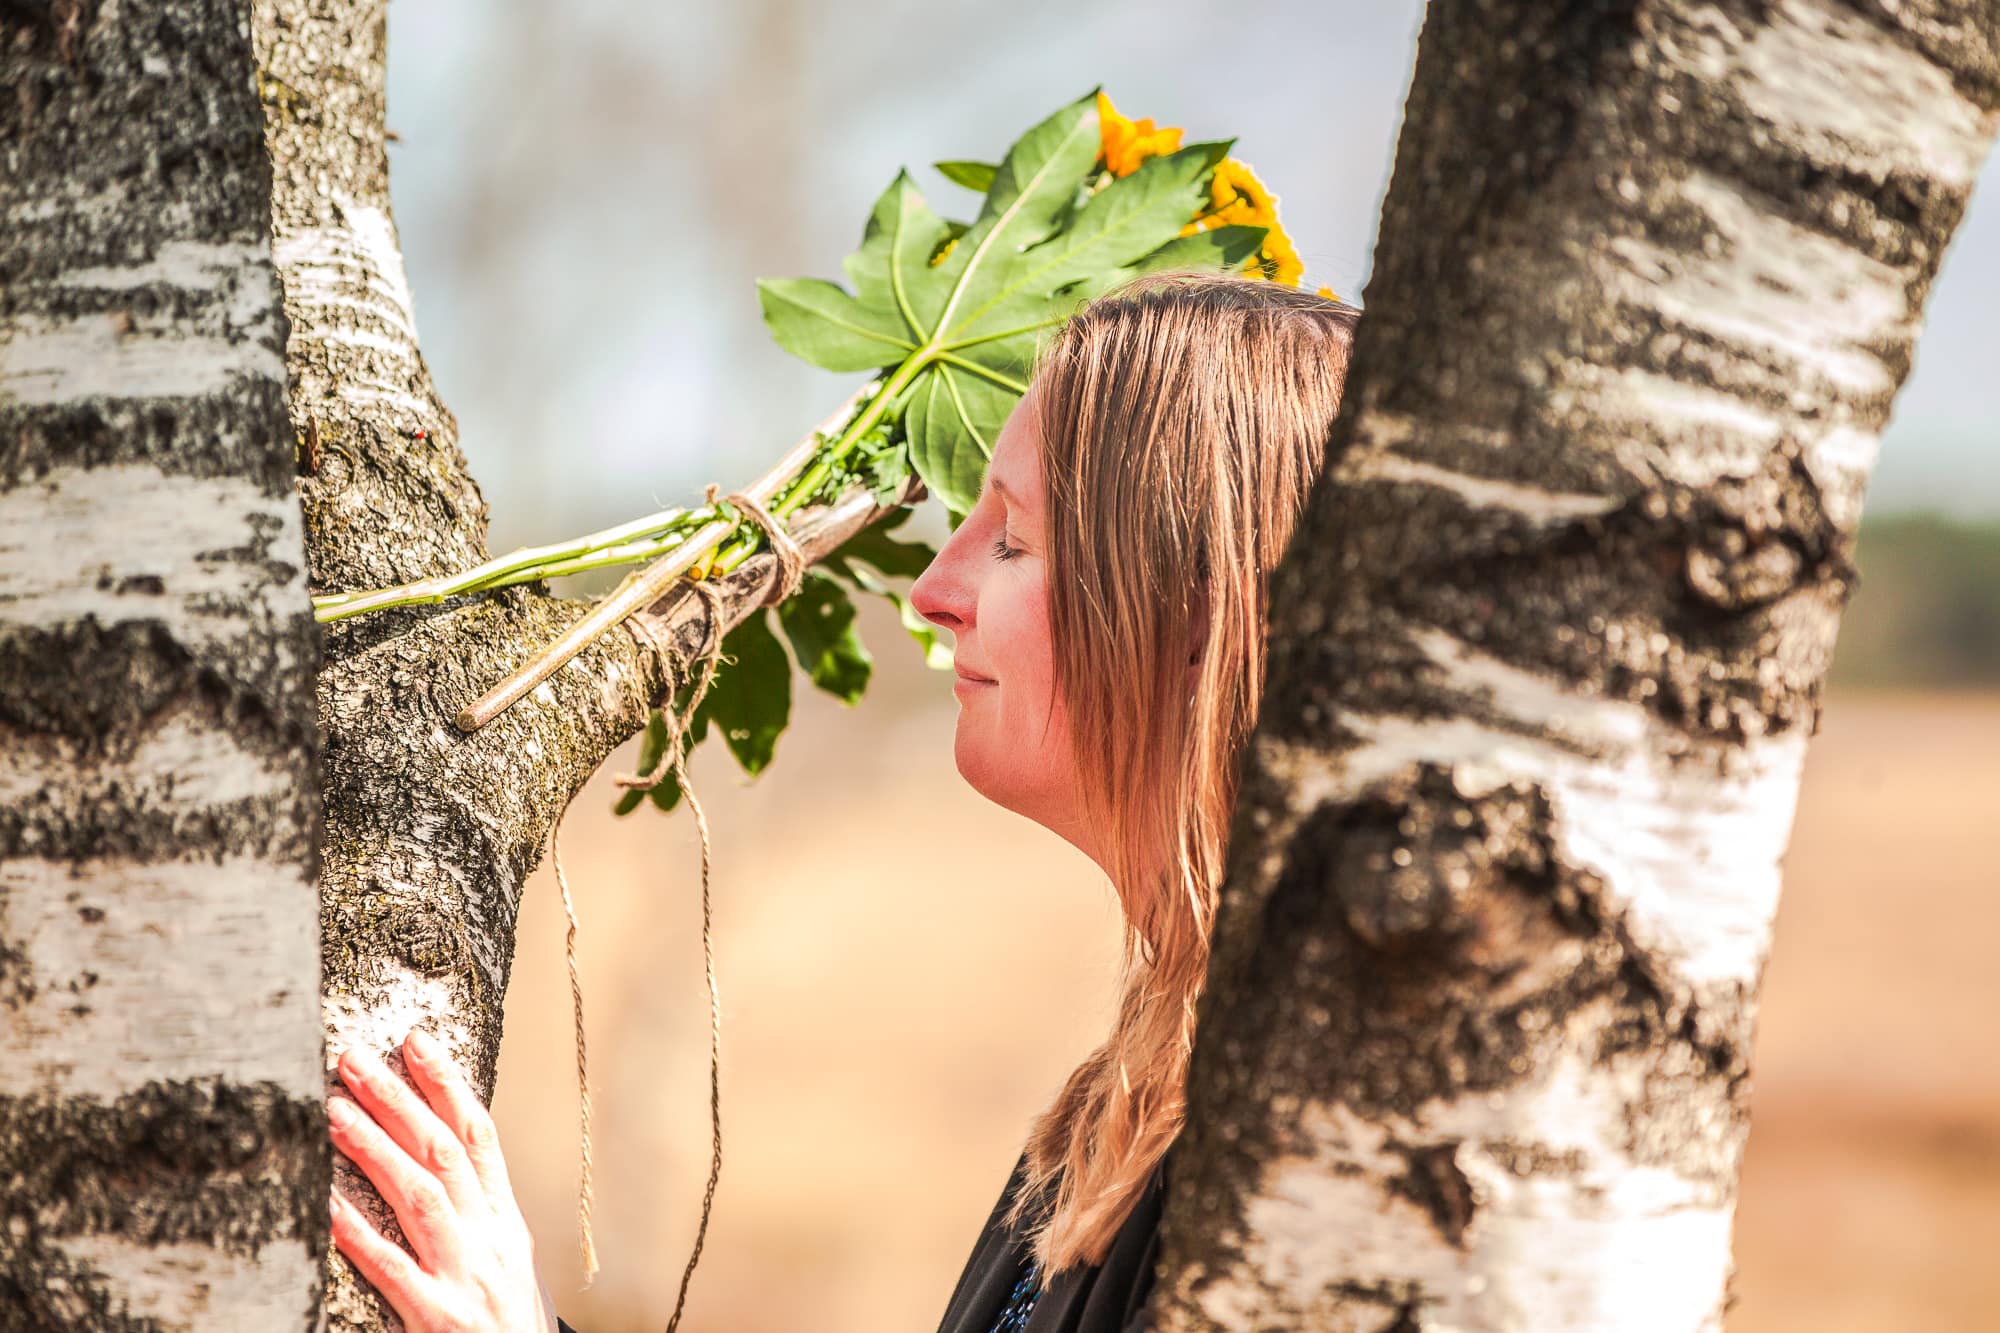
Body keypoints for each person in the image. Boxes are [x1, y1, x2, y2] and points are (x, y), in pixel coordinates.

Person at [323, 271, 1361, 1333]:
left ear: (1197, 611)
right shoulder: (1121, 1108)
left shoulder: (1323, 1149)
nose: (933, 590)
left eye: (1010, 540)